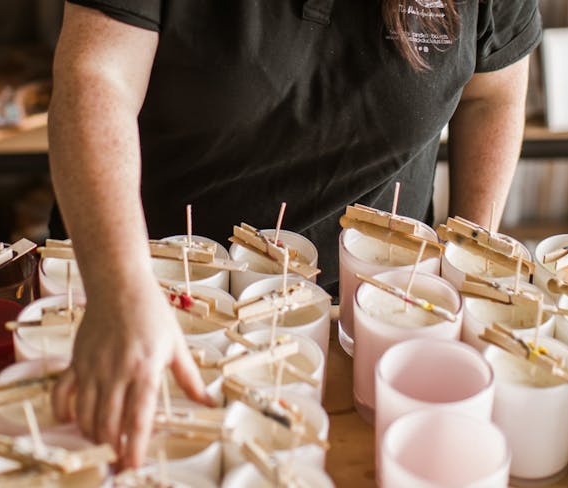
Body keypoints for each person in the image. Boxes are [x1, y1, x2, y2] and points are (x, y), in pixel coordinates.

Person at [48, 0, 541, 468]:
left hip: (379, 323)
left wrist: (471, 259)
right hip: (155, 311)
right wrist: (120, 289)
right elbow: (97, 76)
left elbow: (491, 93)